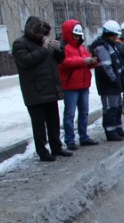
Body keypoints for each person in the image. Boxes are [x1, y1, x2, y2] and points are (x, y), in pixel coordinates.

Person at [12, 16, 72, 162]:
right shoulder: (20, 44)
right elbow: (26, 61)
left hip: (50, 89)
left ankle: (56, 147)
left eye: (43, 33)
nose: (41, 36)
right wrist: (44, 49)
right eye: (39, 33)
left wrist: (59, 50)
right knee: (39, 125)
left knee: (54, 122)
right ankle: (42, 151)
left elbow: (58, 60)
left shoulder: (44, 42)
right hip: (35, 92)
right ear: (31, 32)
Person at [58, 20, 99, 150]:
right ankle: (69, 140)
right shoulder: (63, 48)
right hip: (70, 87)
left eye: (78, 35)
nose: (77, 38)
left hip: (83, 86)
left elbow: (86, 62)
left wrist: (93, 61)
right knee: (70, 115)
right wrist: (83, 61)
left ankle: (84, 137)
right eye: (75, 35)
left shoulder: (82, 48)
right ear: (69, 34)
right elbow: (64, 63)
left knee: (84, 113)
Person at [90, 20, 124, 141]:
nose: (117, 37)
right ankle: (110, 131)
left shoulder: (110, 45)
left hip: (115, 83)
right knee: (110, 108)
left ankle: (118, 128)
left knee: (117, 106)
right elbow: (106, 67)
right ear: (110, 34)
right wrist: (114, 79)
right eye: (115, 35)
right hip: (108, 84)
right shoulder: (101, 47)